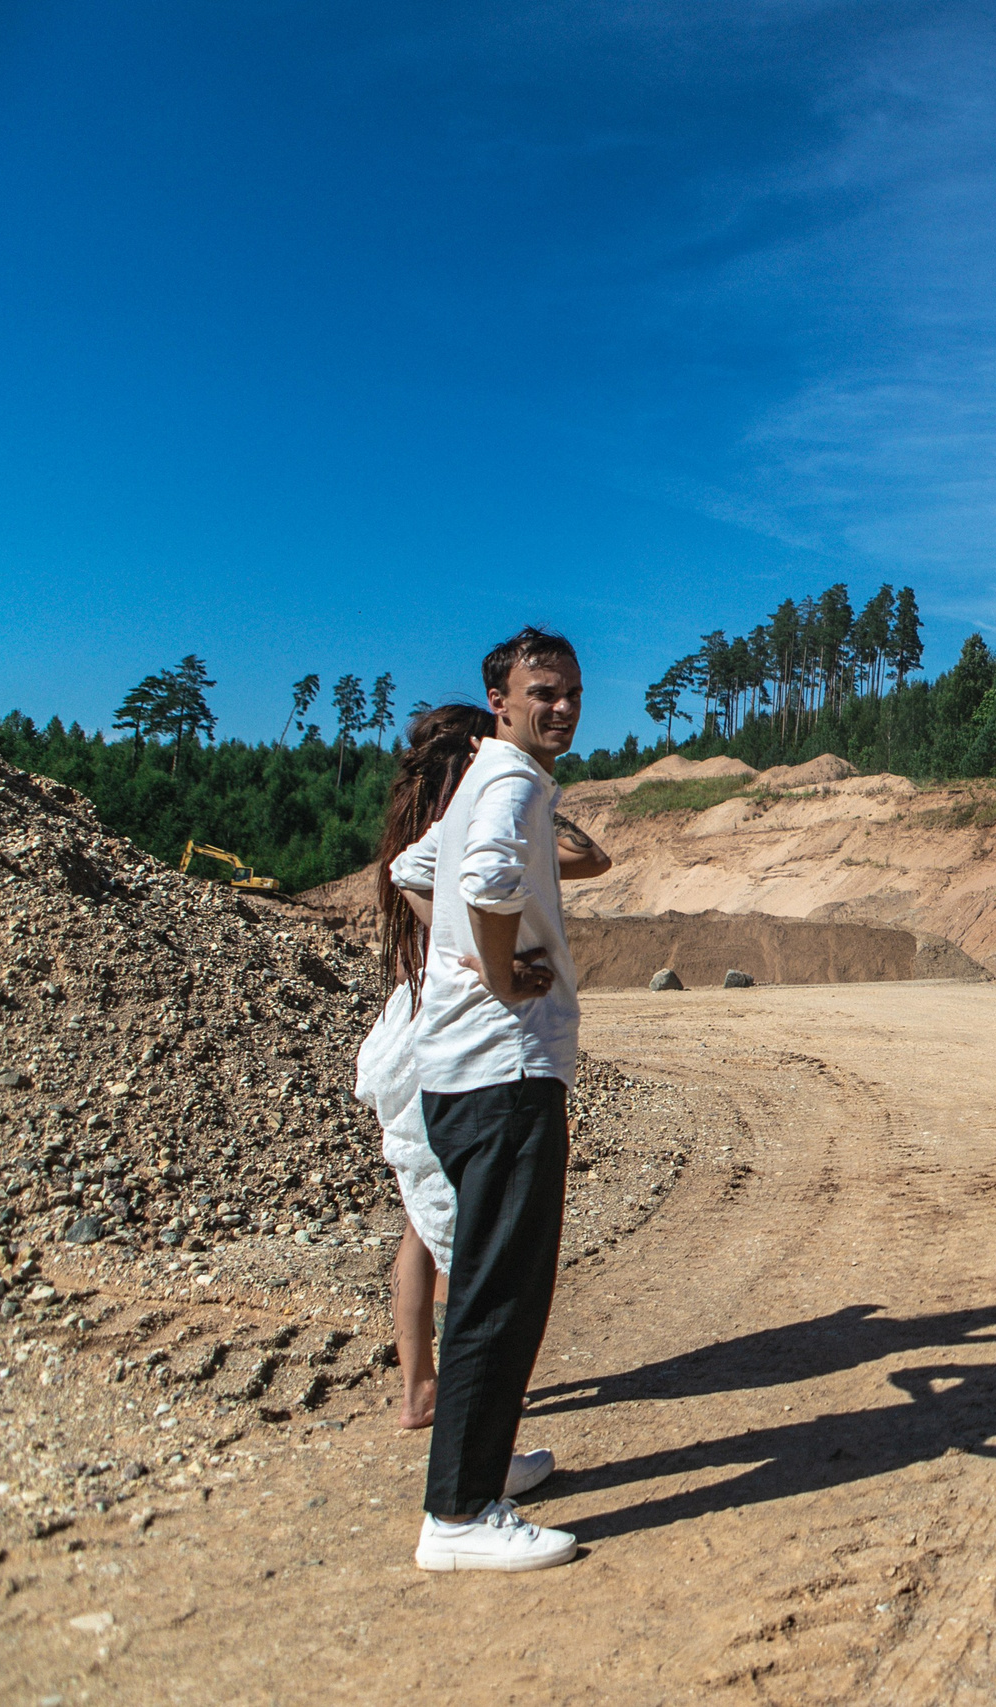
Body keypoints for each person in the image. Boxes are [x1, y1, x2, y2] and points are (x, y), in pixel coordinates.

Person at [356, 705, 608, 1442]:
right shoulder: (486, 812)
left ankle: (422, 1389)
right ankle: (474, 1406)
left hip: (415, 1026)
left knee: (425, 1226)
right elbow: (590, 859)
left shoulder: (433, 826)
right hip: (462, 1034)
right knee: (478, 1239)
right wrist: (481, 955)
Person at [410, 627, 592, 1573]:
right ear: (501, 698)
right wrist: (494, 970)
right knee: (501, 1290)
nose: (559, 705)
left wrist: (456, 965)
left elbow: (416, 873)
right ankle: (460, 1514)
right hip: (505, 1069)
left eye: (569, 690)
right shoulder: (514, 780)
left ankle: (483, 1468)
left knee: (488, 1279)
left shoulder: (484, 775)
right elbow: (477, 880)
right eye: (541, 692)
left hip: (461, 1070)